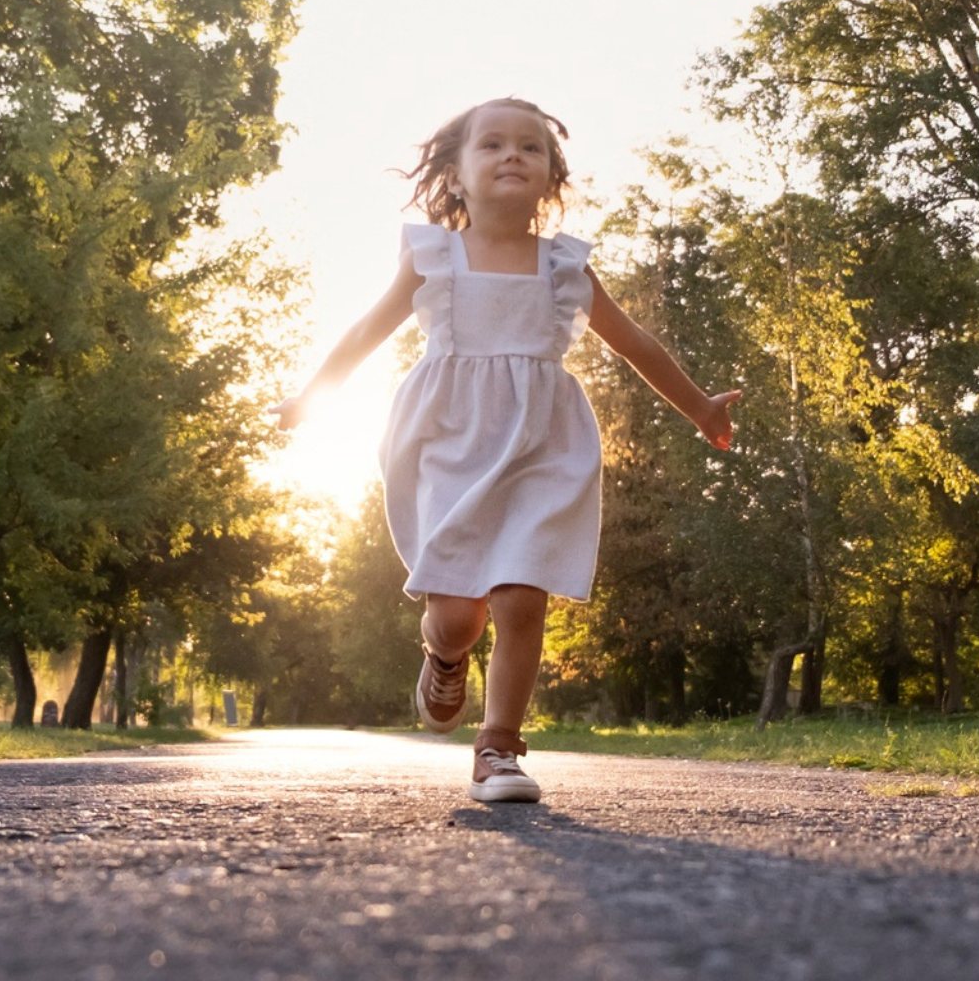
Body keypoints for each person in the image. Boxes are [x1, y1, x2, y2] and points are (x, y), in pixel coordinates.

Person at [275, 98, 738, 803]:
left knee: (522, 598)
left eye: (530, 147)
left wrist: (699, 406)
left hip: (542, 446)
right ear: (456, 176)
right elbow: (366, 330)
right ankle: (445, 652)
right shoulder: (432, 256)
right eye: (491, 145)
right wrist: (312, 396)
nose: (512, 155)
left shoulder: (566, 269)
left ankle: (498, 749)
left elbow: (635, 342)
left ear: (552, 177)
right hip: (449, 443)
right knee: (460, 612)